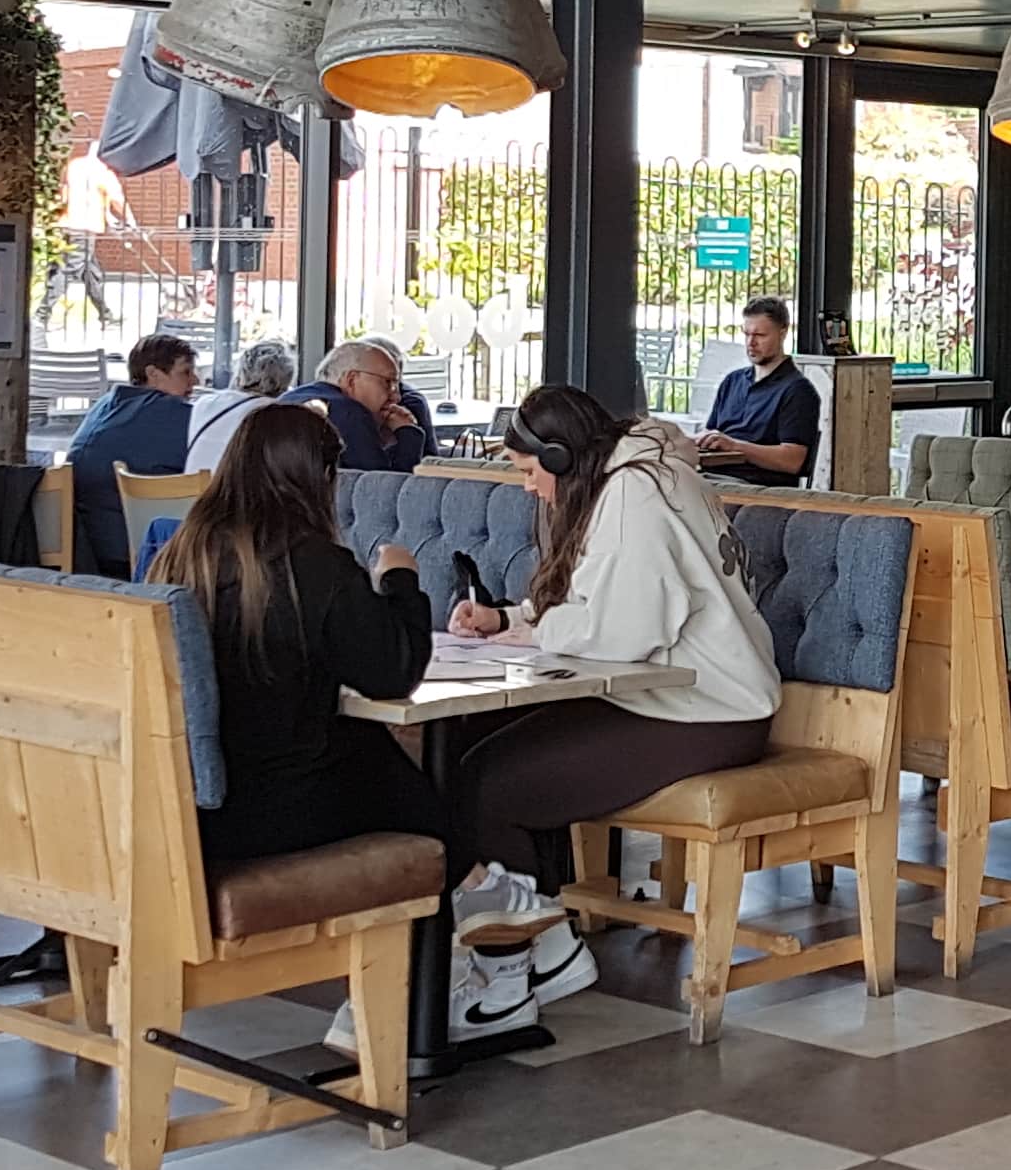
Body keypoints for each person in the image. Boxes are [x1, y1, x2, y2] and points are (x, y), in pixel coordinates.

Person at [158, 403, 592, 1045]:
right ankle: (478, 904)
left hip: (202, 812)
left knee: (359, 741)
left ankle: (489, 920)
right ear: (318, 477)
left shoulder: (180, 557)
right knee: (377, 759)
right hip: (281, 818)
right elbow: (394, 672)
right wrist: (400, 580)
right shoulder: (312, 564)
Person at [436, 381, 781, 883]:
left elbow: (624, 633)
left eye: (529, 472)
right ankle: (541, 929)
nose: (529, 488)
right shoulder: (641, 477)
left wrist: (541, 629)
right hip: (674, 698)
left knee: (484, 787)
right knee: (467, 749)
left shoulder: (635, 494)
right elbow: (603, 596)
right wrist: (510, 619)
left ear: (558, 458)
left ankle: (535, 946)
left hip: (710, 710)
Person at [63, 336, 197, 574]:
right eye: (185, 372)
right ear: (153, 374)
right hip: (138, 551)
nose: (195, 380)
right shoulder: (173, 413)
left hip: (83, 545)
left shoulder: (105, 405)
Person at [692, 296, 821, 487]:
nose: (751, 343)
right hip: (712, 479)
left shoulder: (797, 391)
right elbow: (711, 434)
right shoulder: (732, 381)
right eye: (747, 334)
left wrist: (735, 446)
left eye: (760, 335)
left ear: (783, 333)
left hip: (755, 485)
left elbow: (793, 461)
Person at [297, 338, 434, 472]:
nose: (396, 397)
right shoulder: (351, 414)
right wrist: (408, 434)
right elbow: (384, 489)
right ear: (351, 380)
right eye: (388, 382)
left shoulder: (289, 399)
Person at [186, 339, 298, 471]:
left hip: (195, 489)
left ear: (241, 371)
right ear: (287, 380)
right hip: (234, 490)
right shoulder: (274, 414)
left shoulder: (204, 403)